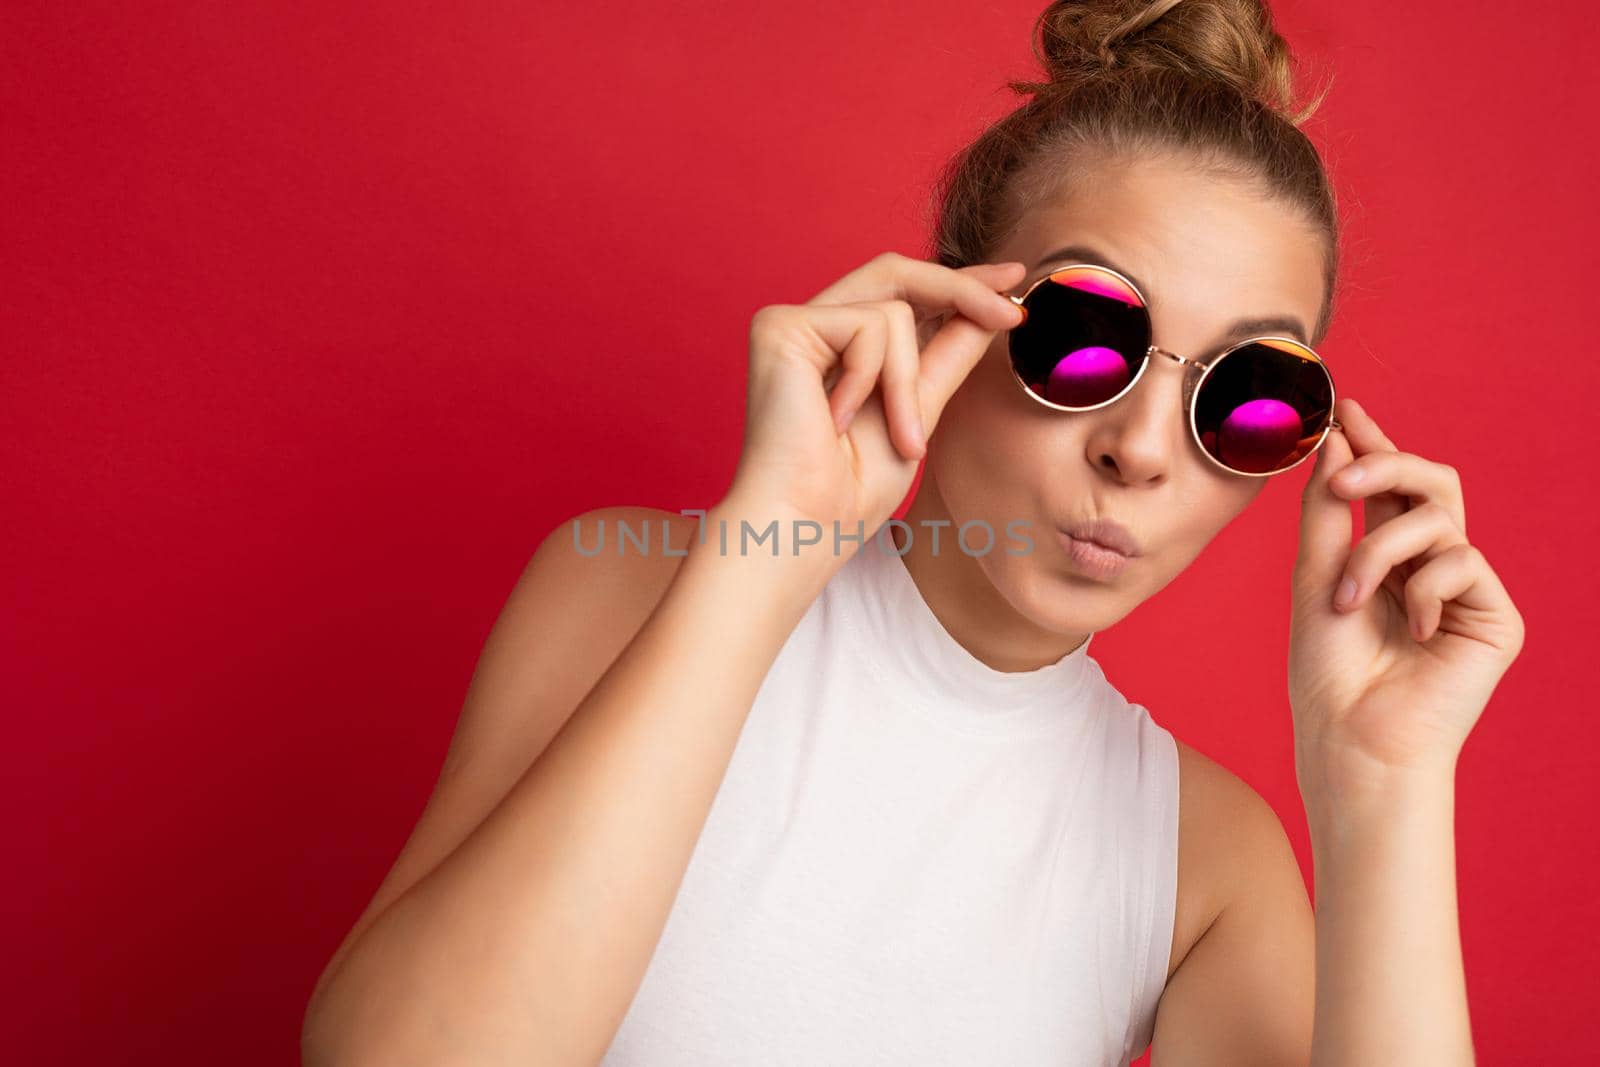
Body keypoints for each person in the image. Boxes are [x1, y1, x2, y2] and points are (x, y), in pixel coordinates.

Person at [301, 1, 1526, 1064]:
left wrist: (1387, 789)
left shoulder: (1204, 861)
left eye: (1248, 398)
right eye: (1084, 337)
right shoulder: (627, 590)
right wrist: (759, 549)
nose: (1143, 449)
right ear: (944, 311)